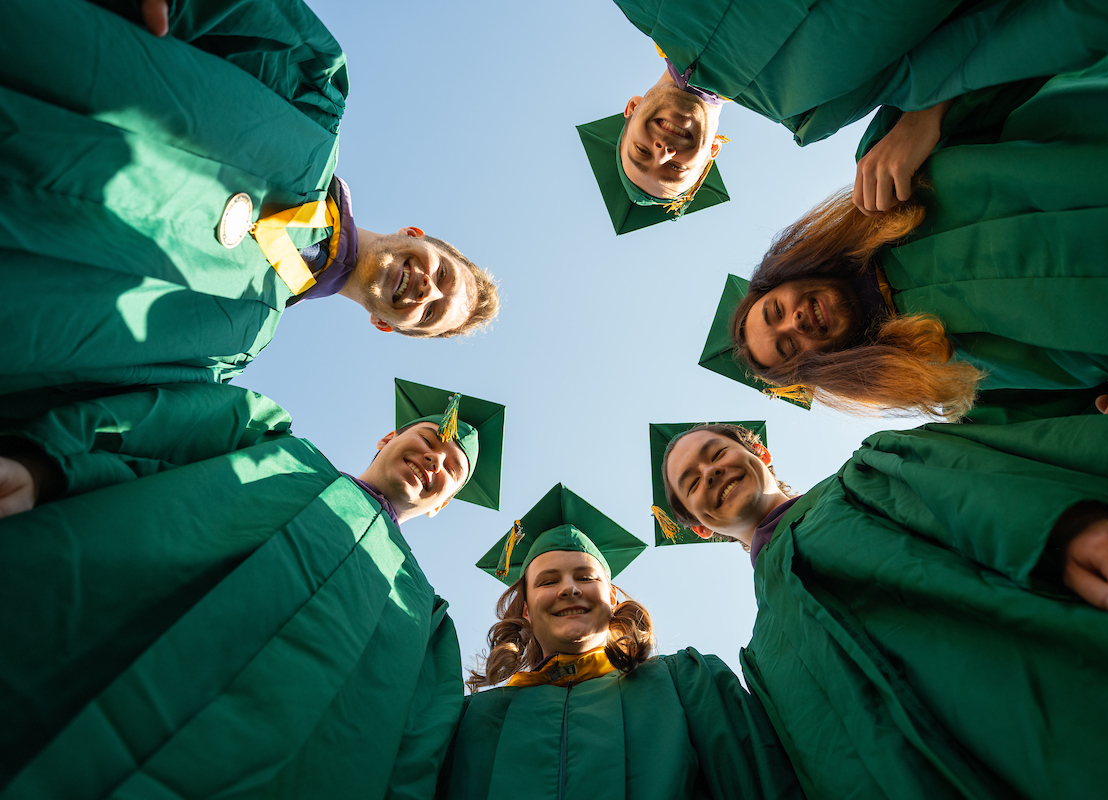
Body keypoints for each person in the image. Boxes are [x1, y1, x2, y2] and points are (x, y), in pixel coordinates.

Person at [0, 379, 504, 797]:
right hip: (87, 656)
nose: (435, 459)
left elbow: (414, 758)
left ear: (443, 505)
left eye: (453, 467)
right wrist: (47, 473)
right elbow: (149, 460)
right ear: (387, 437)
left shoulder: (424, 618)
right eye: (429, 439)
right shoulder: (279, 454)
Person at [0, 0, 498, 423]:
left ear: (387, 326)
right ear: (416, 233)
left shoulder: (227, 348)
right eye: (444, 276)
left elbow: (60, 383)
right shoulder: (314, 95)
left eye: (429, 313)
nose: (427, 289)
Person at [657, 419, 1108, 799]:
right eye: (690, 482)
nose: (709, 473)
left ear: (761, 455)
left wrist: (1065, 528)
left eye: (716, 453)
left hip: (1065, 689)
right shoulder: (764, 655)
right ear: (702, 526)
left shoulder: (867, 477)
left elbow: (983, 499)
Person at [708, 14, 1108, 417]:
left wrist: (926, 113)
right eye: (790, 348)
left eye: (775, 312)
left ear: (785, 278)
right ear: (819, 367)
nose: (795, 322)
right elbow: (1073, 403)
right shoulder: (947, 380)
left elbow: (985, 42)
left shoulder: (882, 174)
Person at [577, 0, 1108, 233]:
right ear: (711, 155)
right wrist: (926, 113)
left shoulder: (646, 4)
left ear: (630, 112)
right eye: (676, 169)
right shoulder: (813, 110)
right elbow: (963, 46)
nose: (665, 152)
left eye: (640, 151)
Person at [437, 484, 802, 800]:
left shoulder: (686, 684)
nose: (570, 588)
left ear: (612, 598)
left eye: (585, 576)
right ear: (527, 611)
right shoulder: (474, 719)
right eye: (548, 581)